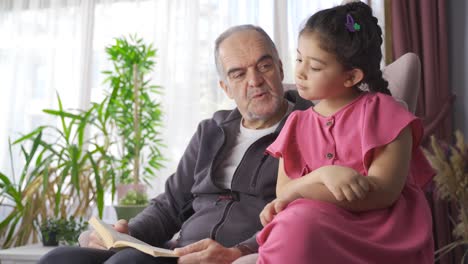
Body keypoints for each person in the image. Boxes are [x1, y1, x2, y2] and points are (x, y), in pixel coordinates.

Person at [38, 25, 312, 264]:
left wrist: (240, 251)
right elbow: (170, 205)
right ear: (225, 87)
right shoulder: (211, 131)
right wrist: (127, 232)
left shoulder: (310, 126)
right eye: (239, 74)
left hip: (233, 253)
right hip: (178, 253)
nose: (255, 81)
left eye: (263, 66)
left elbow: (300, 211)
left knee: (129, 263)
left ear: (280, 67)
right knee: (59, 258)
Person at [255, 2, 434, 264]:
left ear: (351, 77)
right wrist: (323, 175)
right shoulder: (297, 123)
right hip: (313, 222)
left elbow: (384, 192)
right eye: (299, 58)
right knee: (291, 225)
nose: (300, 72)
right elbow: (285, 191)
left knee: (297, 224)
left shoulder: (385, 112)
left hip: (377, 232)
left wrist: (300, 192)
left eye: (314, 67)